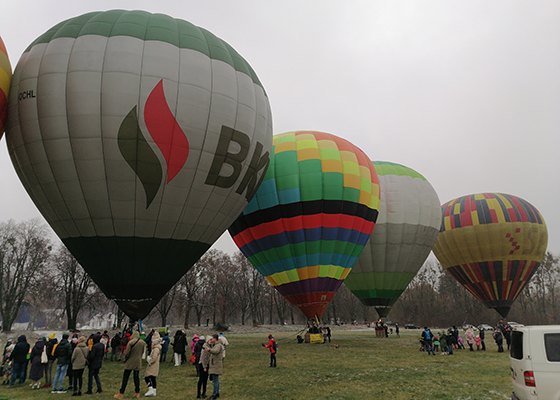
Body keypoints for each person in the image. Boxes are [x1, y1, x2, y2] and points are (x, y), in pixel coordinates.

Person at [114, 331, 146, 399]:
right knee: (136, 378)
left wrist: (125, 359)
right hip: (138, 362)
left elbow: (127, 353)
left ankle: (121, 393)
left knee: (125, 378)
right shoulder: (142, 342)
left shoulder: (131, 342)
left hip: (130, 362)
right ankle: (137, 392)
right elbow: (143, 352)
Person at [204, 334, 224, 400]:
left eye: (212, 338)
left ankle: (215, 394)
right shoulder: (216, 345)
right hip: (215, 365)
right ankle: (216, 393)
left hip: (216, 365)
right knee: (216, 380)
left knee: (215, 380)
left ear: (215, 339)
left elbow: (215, 351)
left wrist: (209, 350)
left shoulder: (218, 345)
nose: (211, 340)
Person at [144, 331, 161, 397]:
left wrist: (149, 360)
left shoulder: (156, 348)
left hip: (153, 365)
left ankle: (150, 389)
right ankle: (154, 391)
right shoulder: (156, 348)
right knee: (153, 378)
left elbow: (154, 357)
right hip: (155, 365)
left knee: (147, 377)